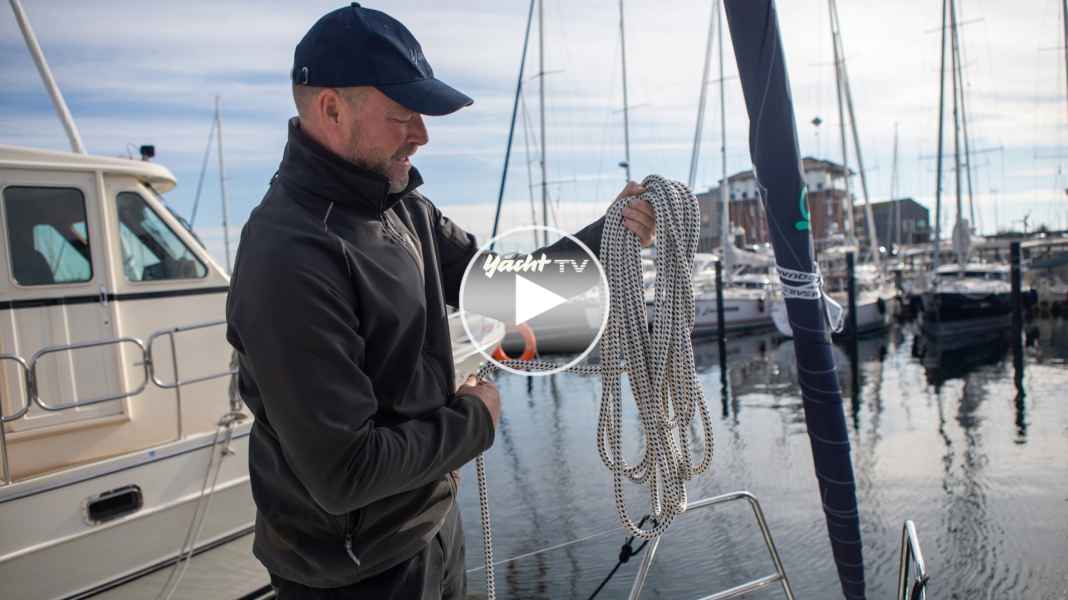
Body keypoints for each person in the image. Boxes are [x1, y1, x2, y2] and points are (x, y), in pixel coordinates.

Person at [225, 4, 656, 599]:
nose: (422, 136)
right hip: (354, 573)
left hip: (429, 527)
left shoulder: (404, 207)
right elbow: (344, 473)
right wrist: (477, 417)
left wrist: (609, 233)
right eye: (403, 115)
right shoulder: (289, 255)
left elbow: (499, 286)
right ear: (330, 108)